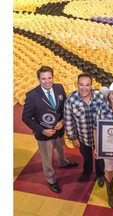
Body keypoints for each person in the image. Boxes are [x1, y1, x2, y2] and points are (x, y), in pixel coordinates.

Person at [22, 66, 79, 194]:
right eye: (44, 79)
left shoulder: (59, 88)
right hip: (44, 134)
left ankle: (63, 162)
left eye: (49, 78)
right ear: (38, 79)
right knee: (47, 158)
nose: (47, 81)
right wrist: (42, 131)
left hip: (59, 129)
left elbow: (65, 108)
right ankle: (51, 179)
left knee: (60, 148)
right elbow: (26, 118)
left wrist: (63, 121)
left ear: (53, 77)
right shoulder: (32, 95)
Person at [64, 73, 105, 186]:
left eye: (87, 85)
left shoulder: (100, 96)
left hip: (99, 137)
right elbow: (68, 120)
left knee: (100, 158)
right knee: (87, 158)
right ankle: (87, 172)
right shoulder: (71, 100)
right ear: (77, 85)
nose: (84, 88)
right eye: (81, 85)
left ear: (92, 85)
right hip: (82, 137)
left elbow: (107, 112)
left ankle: (100, 175)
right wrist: (73, 138)